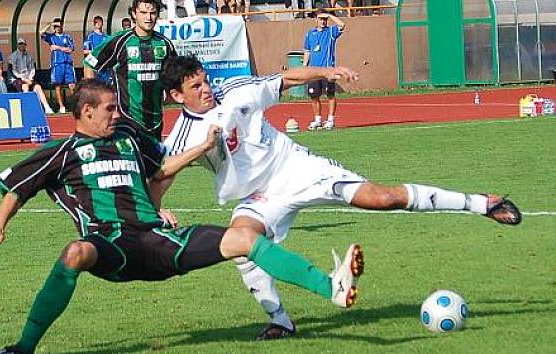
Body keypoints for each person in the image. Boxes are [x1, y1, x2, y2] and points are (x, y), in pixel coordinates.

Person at [0, 79, 364, 354]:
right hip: (112, 246)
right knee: (75, 253)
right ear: (86, 111)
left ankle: (331, 287)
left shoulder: (128, 139)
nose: (117, 114)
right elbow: (17, 188)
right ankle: (21, 349)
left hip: (158, 239)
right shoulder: (62, 152)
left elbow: (161, 168)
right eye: (110, 109)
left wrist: (202, 147)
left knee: (243, 239)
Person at [161, 55, 522, 340]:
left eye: (205, 80)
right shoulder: (182, 135)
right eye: (196, 86)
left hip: (297, 167)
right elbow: (165, 173)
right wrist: (159, 206)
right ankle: (281, 322)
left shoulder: (236, 91)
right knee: (242, 244)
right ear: (177, 96)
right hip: (258, 197)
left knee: (381, 197)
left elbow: (285, 78)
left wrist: (328, 70)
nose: (207, 88)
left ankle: (482, 204)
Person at [84, 0, 176, 142]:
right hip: (126, 118)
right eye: (144, 13)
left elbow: (173, 75)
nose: (148, 17)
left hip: (155, 120)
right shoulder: (121, 41)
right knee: (130, 162)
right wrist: (92, 96)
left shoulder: (164, 43)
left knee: (154, 163)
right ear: (134, 14)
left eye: (153, 13)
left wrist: (170, 93)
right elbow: (90, 63)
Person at [303, 8, 345, 131]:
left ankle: (331, 119)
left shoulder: (331, 32)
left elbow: (342, 25)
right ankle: (318, 120)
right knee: (314, 96)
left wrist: (330, 15)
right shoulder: (310, 34)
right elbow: (307, 51)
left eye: (325, 19)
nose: (323, 21)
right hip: (314, 71)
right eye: (320, 19)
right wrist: (305, 66)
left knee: (330, 94)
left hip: (328, 70)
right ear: (316, 20)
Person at [7, 38, 54, 114]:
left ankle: (47, 107)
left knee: (38, 87)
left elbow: (32, 69)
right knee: (25, 86)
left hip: (28, 78)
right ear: (17, 45)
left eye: (23, 44)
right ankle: (27, 109)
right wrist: (23, 79)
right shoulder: (13, 56)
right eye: (20, 44)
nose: (22, 45)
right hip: (17, 79)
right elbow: (13, 72)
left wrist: (30, 78)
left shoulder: (29, 57)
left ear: (26, 45)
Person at [41, 17, 75, 114]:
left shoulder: (67, 37)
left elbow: (70, 49)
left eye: (58, 26)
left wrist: (58, 47)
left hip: (68, 63)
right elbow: (41, 33)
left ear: (62, 25)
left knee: (72, 85)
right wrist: (49, 25)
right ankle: (62, 107)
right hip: (57, 64)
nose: (57, 28)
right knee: (58, 85)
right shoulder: (51, 37)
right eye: (55, 26)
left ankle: (74, 106)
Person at [83, 16, 112, 84]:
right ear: (94, 24)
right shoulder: (90, 36)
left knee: (105, 84)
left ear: (102, 23)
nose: (97, 24)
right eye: (96, 22)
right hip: (94, 62)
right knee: (94, 84)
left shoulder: (107, 37)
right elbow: (85, 51)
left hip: (104, 63)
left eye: (99, 22)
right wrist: (96, 53)